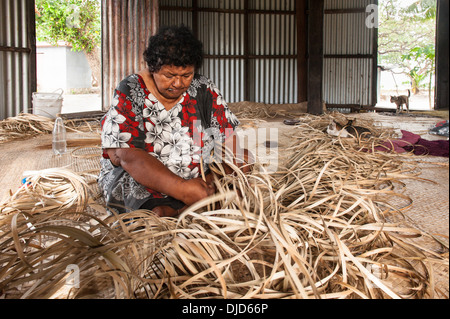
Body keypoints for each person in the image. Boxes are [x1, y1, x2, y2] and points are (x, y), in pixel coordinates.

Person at [98, 25, 250, 217]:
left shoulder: (203, 88)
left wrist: (216, 176)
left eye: (186, 75)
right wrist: (182, 189)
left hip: (200, 174)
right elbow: (128, 155)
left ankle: (194, 203)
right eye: (169, 76)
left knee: (243, 159)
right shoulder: (131, 89)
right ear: (153, 68)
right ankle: (184, 207)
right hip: (149, 176)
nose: (178, 83)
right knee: (140, 197)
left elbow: (227, 137)